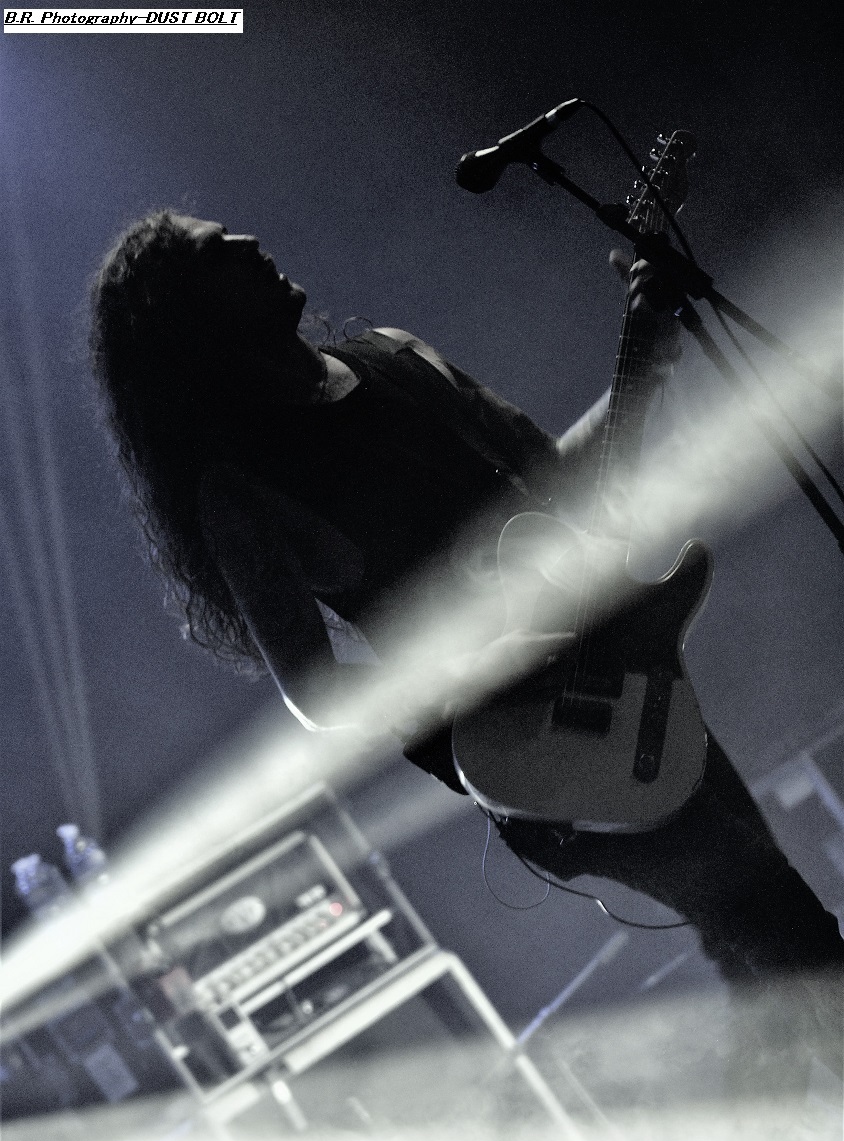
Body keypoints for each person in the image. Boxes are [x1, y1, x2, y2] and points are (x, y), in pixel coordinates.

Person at [90, 211, 844, 998]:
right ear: (195, 322)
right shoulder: (242, 490)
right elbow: (317, 692)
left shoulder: (393, 354)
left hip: (624, 667)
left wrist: (643, 364)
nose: (248, 244)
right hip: (534, 747)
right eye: (218, 254)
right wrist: (477, 669)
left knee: (765, 931)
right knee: (779, 921)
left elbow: (559, 487)